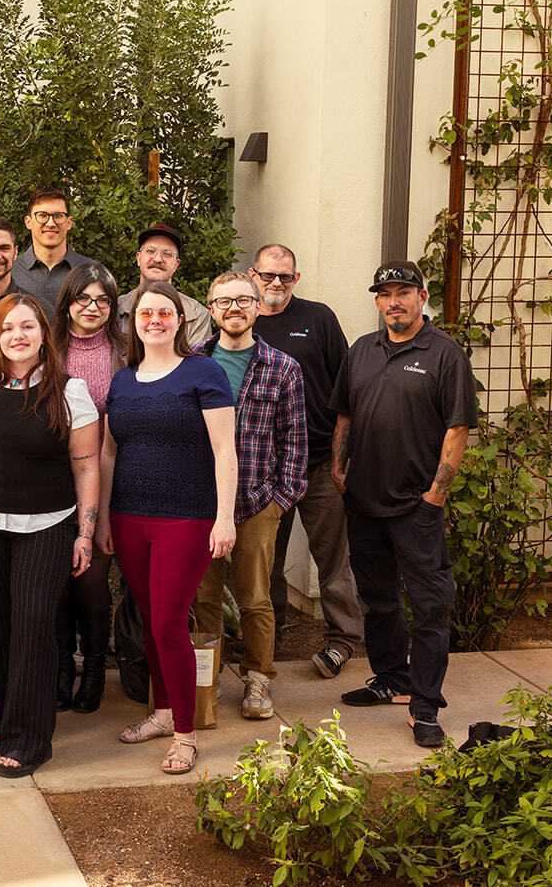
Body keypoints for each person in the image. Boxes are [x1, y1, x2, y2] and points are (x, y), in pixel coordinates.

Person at [331, 261, 477, 750]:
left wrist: (436, 494)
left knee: (430, 606)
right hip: (364, 501)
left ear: (422, 296)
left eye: (404, 292)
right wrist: (338, 466)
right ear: (377, 301)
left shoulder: (444, 355)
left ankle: (425, 705)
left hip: (416, 505)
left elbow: (457, 430)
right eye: (386, 293)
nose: (395, 301)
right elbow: (345, 414)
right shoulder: (361, 351)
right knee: (377, 599)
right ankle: (392, 679)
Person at [0, 293, 101, 776]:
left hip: (48, 525)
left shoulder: (69, 392)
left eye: (27, 326)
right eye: (7, 329)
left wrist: (85, 532)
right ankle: (7, 716)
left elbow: (85, 465)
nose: (18, 336)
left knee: (35, 625)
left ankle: (32, 736)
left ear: (44, 333)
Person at [99, 281, 238, 775]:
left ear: (180, 320)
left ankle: (185, 733)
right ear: (133, 322)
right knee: (149, 617)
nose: (154, 319)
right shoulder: (123, 380)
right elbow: (110, 450)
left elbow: (225, 451)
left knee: (167, 623)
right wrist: (101, 517)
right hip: (130, 516)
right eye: (145, 313)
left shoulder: (204, 371)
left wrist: (225, 517)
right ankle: (161, 713)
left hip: (188, 517)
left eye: (164, 312)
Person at [189, 272, 309, 720]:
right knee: (203, 598)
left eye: (244, 300)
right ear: (211, 309)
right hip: (202, 503)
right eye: (224, 302)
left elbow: (295, 441)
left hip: (258, 501)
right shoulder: (193, 364)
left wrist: (281, 499)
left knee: (256, 598)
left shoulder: (283, 368)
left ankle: (258, 680)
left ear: (258, 307)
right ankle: (208, 682)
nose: (234, 308)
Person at [249, 243, 364, 677]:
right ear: (252, 274)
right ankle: (265, 642)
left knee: (333, 559)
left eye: (285, 276)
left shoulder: (318, 319)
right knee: (264, 561)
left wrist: (341, 458)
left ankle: (342, 640)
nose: (276, 283)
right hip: (263, 473)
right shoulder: (242, 318)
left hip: (317, 464)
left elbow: (346, 391)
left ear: (296, 279)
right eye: (267, 275)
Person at [49, 261, 123, 714]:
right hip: (54, 480)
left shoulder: (125, 350)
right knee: (57, 580)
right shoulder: (50, 349)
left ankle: (94, 666)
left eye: (102, 300)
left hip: (111, 475)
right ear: (68, 303)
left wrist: (104, 511)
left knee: (93, 581)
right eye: (83, 298)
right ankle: (61, 667)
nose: (92, 307)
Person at [114, 224, 213, 348]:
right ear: (138, 258)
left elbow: (197, 363)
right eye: (150, 251)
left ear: (176, 264)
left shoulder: (197, 315)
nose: (158, 259)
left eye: (167, 254)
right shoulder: (116, 309)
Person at [12, 189, 101, 308]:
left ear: (69, 223)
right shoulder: (12, 271)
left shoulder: (92, 271)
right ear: (28, 222)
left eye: (58, 216)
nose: (51, 223)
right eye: (42, 216)